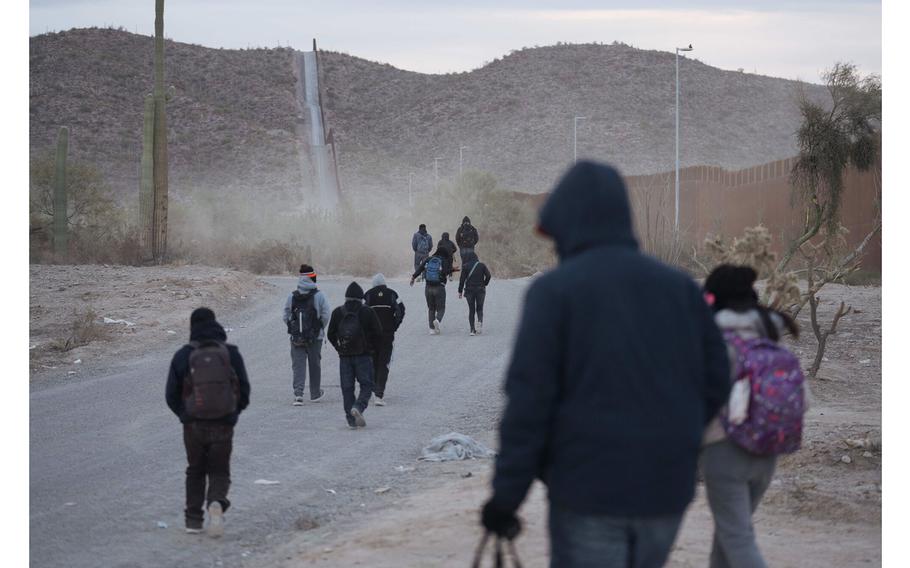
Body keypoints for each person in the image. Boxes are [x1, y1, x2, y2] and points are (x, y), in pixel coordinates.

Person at [480, 161, 731, 568]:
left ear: (565, 226)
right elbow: (718, 379)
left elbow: (529, 406)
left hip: (587, 494)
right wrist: (677, 436)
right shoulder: (680, 288)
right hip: (665, 493)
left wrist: (507, 497)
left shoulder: (554, 293)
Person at [701, 264, 803, 568]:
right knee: (730, 534)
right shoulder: (771, 340)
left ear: (713, 299)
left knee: (736, 538)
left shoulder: (717, 343)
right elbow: (803, 399)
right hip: (767, 452)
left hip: (724, 452)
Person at [166, 307, 251, 537]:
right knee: (219, 469)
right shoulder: (230, 353)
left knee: (195, 470)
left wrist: (185, 416)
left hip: (193, 425)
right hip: (223, 423)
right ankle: (216, 502)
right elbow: (244, 389)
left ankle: (193, 520)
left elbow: (171, 395)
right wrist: (232, 414)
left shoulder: (183, 355)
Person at [327, 282, 383, 429]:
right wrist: (372, 349)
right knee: (367, 385)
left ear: (346, 297)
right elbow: (378, 333)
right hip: (363, 356)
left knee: (347, 388)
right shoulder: (368, 311)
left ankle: (350, 421)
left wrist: (339, 347)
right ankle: (358, 407)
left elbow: (330, 333)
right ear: (360, 298)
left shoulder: (338, 312)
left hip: (344, 356)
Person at [283, 264, 331, 405]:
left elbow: (286, 315)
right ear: (312, 277)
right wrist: (319, 328)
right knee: (314, 363)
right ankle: (315, 394)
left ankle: (298, 394)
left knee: (298, 365)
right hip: (315, 337)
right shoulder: (320, 295)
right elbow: (326, 314)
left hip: (296, 337)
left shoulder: (292, 296)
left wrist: (293, 328)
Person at [364, 273, 406, 406]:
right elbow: (401, 310)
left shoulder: (368, 294)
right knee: (384, 363)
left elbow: (362, 312)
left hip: (371, 336)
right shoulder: (392, 294)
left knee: (373, 361)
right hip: (387, 334)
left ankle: (374, 386)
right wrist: (394, 325)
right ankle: (379, 393)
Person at [410, 248, 452, 335]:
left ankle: (431, 329)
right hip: (439, 287)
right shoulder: (444, 260)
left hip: (428, 287)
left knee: (431, 308)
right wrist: (452, 270)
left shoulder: (429, 259)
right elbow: (445, 272)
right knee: (441, 308)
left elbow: (420, 268)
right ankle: (437, 320)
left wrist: (413, 277)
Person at [458, 251, 491, 336]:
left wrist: (460, 291)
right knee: (480, 308)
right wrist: (485, 283)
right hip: (480, 290)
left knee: (471, 309)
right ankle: (479, 321)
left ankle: (472, 330)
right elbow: (488, 276)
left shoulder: (465, 266)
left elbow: (462, 280)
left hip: (469, 291)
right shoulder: (482, 265)